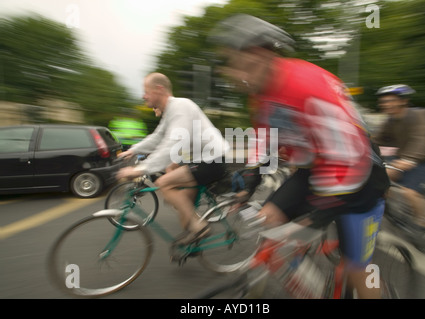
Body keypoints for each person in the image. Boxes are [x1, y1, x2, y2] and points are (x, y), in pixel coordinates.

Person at [209, 14, 390, 298]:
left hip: (359, 174)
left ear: (258, 55)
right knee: (268, 224)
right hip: (315, 169)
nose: (228, 74)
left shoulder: (307, 86)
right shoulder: (259, 94)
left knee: (357, 268)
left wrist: (315, 217)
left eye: (232, 62)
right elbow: (264, 143)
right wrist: (246, 186)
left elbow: (350, 158)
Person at [117, 72, 230, 244]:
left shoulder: (180, 107)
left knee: (164, 183)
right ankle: (193, 241)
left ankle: (201, 228)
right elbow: (157, 137)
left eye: (146, 91)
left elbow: (171, 144)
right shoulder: (170, 111)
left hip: (212, 160)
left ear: (159, 89)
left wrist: (139, 169)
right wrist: (132, 150)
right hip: (200, 158)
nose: (143, 95)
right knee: (182, 203)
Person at [372, 84, 425, 232]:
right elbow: (376, 140)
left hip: (421, 160)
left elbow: (420, 138)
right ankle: (391, 210)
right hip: (401, 159)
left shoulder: (420, 115)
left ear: (403, 101)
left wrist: (409, 159)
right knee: (380, 178)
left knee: (410, 192)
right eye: (384, 101)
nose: (386, 104)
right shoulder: (390, 121)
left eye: (390, 100)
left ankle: (424, 222)